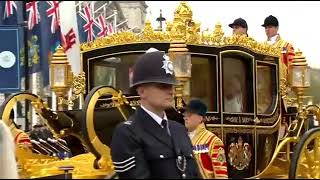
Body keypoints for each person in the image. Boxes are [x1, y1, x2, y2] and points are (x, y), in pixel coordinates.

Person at [110, 49, 200, 179]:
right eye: (163, 86)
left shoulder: (178, 129)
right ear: (142, 91)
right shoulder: (128, 133)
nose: (170, 91)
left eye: (171, 85)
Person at [183, 99, 228, 179]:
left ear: (200, 118)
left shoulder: (213, 141)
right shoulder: (181, 138)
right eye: (185, 114)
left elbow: (221, 175)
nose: (185, 117)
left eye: (189, 114)